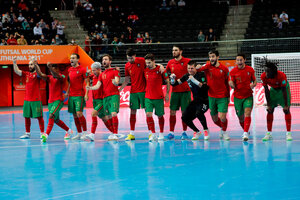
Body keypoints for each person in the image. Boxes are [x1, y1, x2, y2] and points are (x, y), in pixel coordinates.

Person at [34, 62, 73, 142]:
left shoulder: (62, 76)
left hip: (58, 101)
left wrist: (50, 68)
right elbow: (40, 74)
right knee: (56, 120)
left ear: (57, 69)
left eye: (54, 68)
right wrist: (36, 65)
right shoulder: (49, 77)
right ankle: (69, 131)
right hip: (50, 101)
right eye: (52, 68)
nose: (53, 70)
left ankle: (46, 135)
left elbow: (56, 75)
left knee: (51, 115)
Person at [171, 60, 209, 140]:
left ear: (195, 68)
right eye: (188, 68)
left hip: (205, 101)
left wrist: (194, 81)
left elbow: (205, 88)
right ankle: (197, 131)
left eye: (192, 68)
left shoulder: (201, 74)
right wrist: (172, 79)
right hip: (195, 101)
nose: (190, 70)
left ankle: (206, 130)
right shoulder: (187, 76)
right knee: (184, 117)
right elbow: (175, 84)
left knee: (199, 113)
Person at [197, 50, 230, 140]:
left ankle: (224, 132)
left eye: (213, 56)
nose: (211, 59)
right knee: (215, 119)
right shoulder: (207, 67)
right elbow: (197, 69)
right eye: (210, 57)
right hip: (211, 97)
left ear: (218, 57)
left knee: (223, 117)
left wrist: (228, 96)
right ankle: (222, 128)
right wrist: (198, 66)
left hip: (222, 96)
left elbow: (227, 83)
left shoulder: (224, 69)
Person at [87, 55, 120, 141]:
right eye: (103, 60)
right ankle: (113, 132)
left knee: (111, 114)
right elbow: (97, 85)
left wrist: (116, 83)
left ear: (110, 61)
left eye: (106, 59)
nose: (104, 61)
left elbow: (117, 81)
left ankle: (93, 134)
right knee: (106, 118)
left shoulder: (114, 71)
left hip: (107, 97)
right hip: (102, 98)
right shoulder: (100, 75)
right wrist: (90, 88)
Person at [13, 56, 45, 139]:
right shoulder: (27, 74)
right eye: (29, 65)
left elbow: (39, 73)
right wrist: (14, 63)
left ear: (35, 65)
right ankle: (27, 133)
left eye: (31, 64)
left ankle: (42, 133)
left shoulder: (38, 74)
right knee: (26, 116)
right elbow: (17, 71)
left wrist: (36, 64)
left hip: (36, 100)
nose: (30, 66)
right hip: (27, 100)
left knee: (39, 117)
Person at [261, 60, 292, 141]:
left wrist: (286, 105)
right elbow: (266, 90)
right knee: (270, 110)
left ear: (273, 71)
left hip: (283, 90)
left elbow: (284, 90)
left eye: (268, 72)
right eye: (265, 71)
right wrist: (268, 104)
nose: (266, 73)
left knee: (286, 110)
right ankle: (269, 133)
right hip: (273, 90)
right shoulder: (264, 76)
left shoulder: (281, 75)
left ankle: (288, 133)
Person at [119, 48, 147, 140]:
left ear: (135, 56)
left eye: (131, 58)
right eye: (128, 58)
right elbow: (127, 80)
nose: (129, 60)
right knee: (132, 112)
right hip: (133, 91)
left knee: (148, 112)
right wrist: (120, 89)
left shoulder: (142, 61)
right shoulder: (127, 65)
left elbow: (152, 65)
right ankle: (131, 133)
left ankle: (151, 133)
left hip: (143, 90)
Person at [229, 53, 257, 141]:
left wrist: (253, 85)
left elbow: (255, 80)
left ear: (244, 60)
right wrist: (231, 84)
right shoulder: (233, 71)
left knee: (247, 113)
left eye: (241, 60)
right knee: (240, 117)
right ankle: (246, 130)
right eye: (237, 60)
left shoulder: (250, 69)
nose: (239, 62)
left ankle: (245, 133)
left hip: (248, 96)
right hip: (237, 97)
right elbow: (231, 83)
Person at [83, 62, 114, 141]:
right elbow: (86, 78)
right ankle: (114, 133)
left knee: (93, 113)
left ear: (99, 69)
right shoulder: (93, 76)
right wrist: (87, 74)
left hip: (102, 100)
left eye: (94, 70)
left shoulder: (103, 76)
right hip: (95, 100)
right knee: (104, 118)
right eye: (92, 70)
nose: (93, 72)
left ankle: (92, 134)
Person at [166, 45, 191, 140]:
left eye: (176, 50)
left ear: (181, 51)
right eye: (173, 50)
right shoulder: (170, 62)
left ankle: (184, 132)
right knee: (172, 112)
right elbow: (165, 73)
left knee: (184, 113)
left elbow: (194, 71)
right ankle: (171, 132)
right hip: (175, 92)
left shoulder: (187, 61)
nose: (173, 52)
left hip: (185, 92)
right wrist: (169, 75)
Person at [144, 53, 170, 141]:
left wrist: (167, 94)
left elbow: (167, 81)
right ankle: (153, 133)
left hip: (158, 97)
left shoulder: (160, 69)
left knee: (160, 116)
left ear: (154, 61)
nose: (147, 65)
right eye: (146, 63)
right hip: (148, 97)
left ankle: (161, 133)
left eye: (149, 63)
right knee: (148, 114)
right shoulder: (145, 70)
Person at [65, 53, 89, 140]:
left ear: (78, 59)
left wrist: (86, 94)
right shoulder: (69, 70)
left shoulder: (82, 69)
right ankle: (79, 133)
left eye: (73, 58)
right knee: (75, 115)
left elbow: (87, 82)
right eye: (71, 58)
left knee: (79, 113)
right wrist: (67, 92)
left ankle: (85, 132)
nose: (71, 60)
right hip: (71, 95)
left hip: (79, 95)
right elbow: (69, 83)